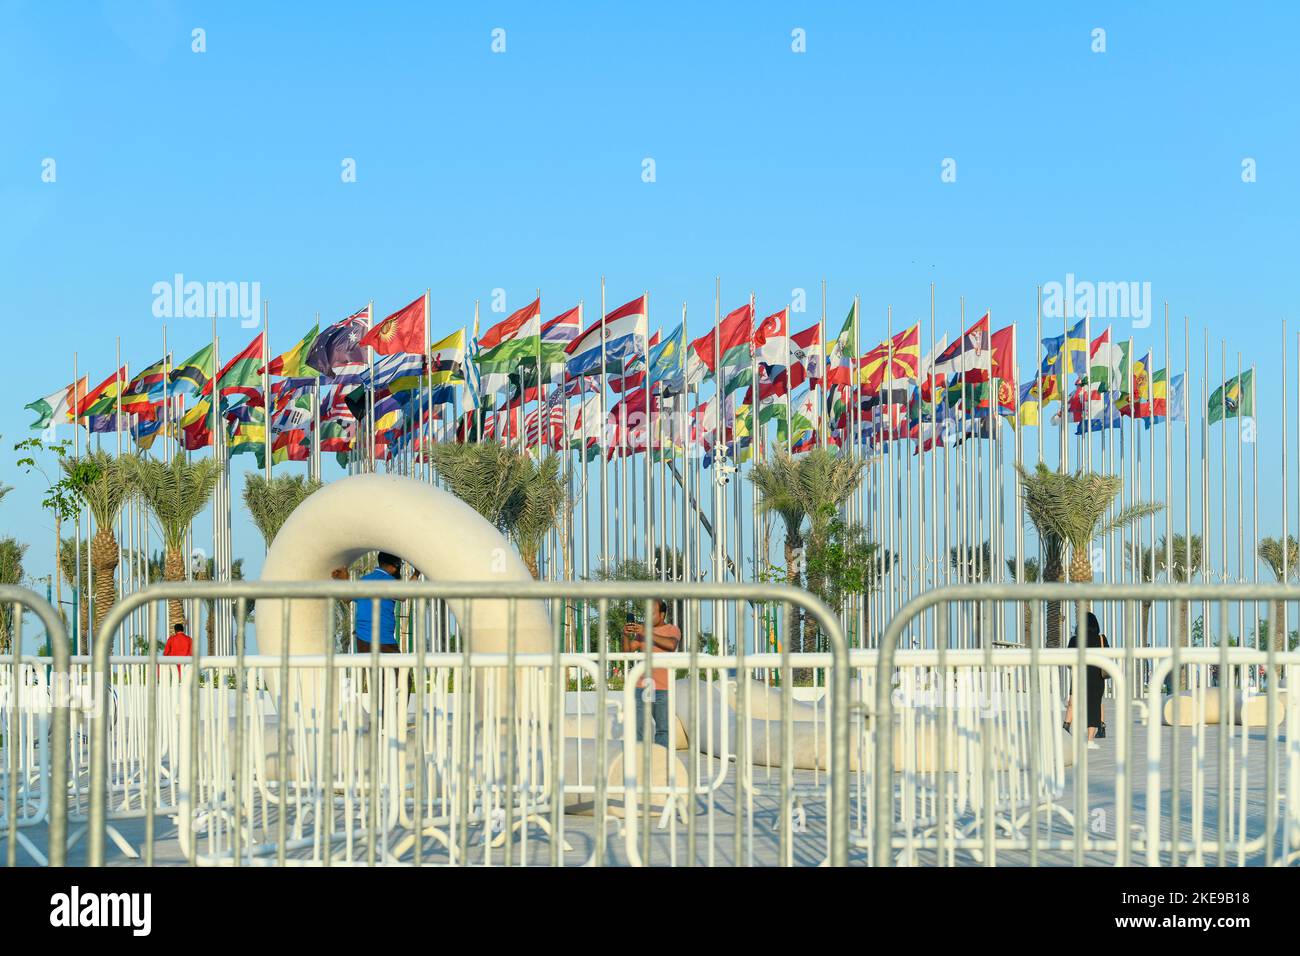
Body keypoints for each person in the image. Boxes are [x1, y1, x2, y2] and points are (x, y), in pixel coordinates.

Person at [622, 599, 682, 749]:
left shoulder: (672, 629)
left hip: (663, 688)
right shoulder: (641, 632)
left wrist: (645, 631)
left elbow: (671, 645)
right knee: (638, 728)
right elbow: (627, 652)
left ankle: (661, 763)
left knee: (663, 729)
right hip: (641, 685)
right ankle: (638, 761)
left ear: (662, 615)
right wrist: (625, 636)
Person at [334, 552, 404, 653]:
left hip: (362, 640)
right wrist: (416, 574)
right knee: (396, 668)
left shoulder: (363, 580)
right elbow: (405, 595)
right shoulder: (391, 582)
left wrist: (345, 580)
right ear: (394, 566)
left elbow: (346, 599)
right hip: (383, 639)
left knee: (367, 667)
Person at [1065, 611, 1109, 750]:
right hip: (1096, 676)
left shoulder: (1074, 640)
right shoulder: (1101, 638)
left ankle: (1068, 731)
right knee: (1094, 706)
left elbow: (1068, 660)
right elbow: (1107, 655)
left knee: (1074, 703)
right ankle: (1089, 740)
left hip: (1079, 675)